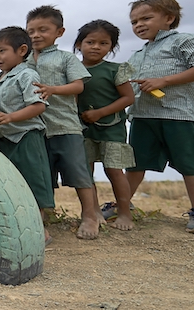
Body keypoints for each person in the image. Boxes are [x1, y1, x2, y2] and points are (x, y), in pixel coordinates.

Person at [125, 0, 194, 236]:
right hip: (143, 115)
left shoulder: (185, 41)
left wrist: (163, 80)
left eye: (146, 18)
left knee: (191, 165)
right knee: (135, 163)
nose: (139, 25)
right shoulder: (138, 54)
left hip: (180, 114)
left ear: (169, 18)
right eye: (134, 21)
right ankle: (122, 204)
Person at [26, 5, 99, 240]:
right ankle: (46, 214)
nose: (36, 35)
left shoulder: (66, 58)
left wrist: (53, 89)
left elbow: (79, 86)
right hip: (35, 128)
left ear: (59, 32)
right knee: (41, 174)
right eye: (31, 31)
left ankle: (89, 216)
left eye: (43, 30)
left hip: (65, 126)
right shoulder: (23, 59)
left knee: (79, 174)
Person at [0, 26, 54, 244]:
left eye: (2, 51)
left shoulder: (27, 75)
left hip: (26, 136)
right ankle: (18, 229)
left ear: (22, 50)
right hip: (4, 140)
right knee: (10, 184)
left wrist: (11, 117)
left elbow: (38, 106)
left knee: (33, 181)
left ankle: (40, 230)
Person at [74, 20, 136, 231]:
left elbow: (128, 98)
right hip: (83, 129)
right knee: (86, 172)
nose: (96, 47)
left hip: (112, 127)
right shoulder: (72, 71)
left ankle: (125, 213)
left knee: (114, 170)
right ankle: (93, 212)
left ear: (111, 47)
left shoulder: (115, 70)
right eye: (90, 42)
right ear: (79, 44)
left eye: (103, 43)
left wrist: (100, 112)